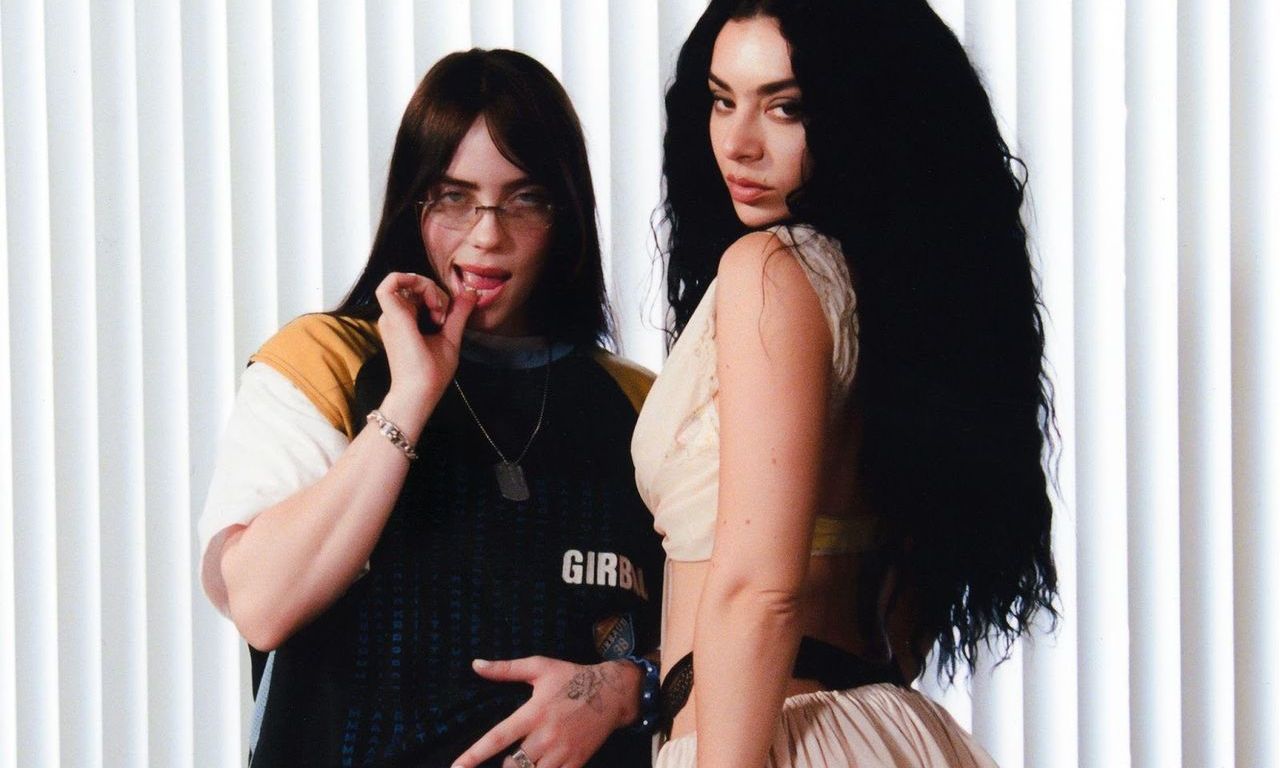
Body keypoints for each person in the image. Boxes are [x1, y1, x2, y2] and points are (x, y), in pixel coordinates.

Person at [198, 49, 664, 768]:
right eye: (453, 196)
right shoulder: (325, 362)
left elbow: (718, 633)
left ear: (565, 214)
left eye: (524, 198)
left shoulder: (637, 404)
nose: (487, 235)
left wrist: (624, 687)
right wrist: (411, 395)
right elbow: (260, 604)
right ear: (413, 205)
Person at [632, 0, 1059, 765]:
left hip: (761, 742)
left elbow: (761, 592)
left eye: (784, 107)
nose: (738, 142)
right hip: (883, 730)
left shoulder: (771, 272)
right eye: (723, 100)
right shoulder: (901, 299)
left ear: (862, 112)